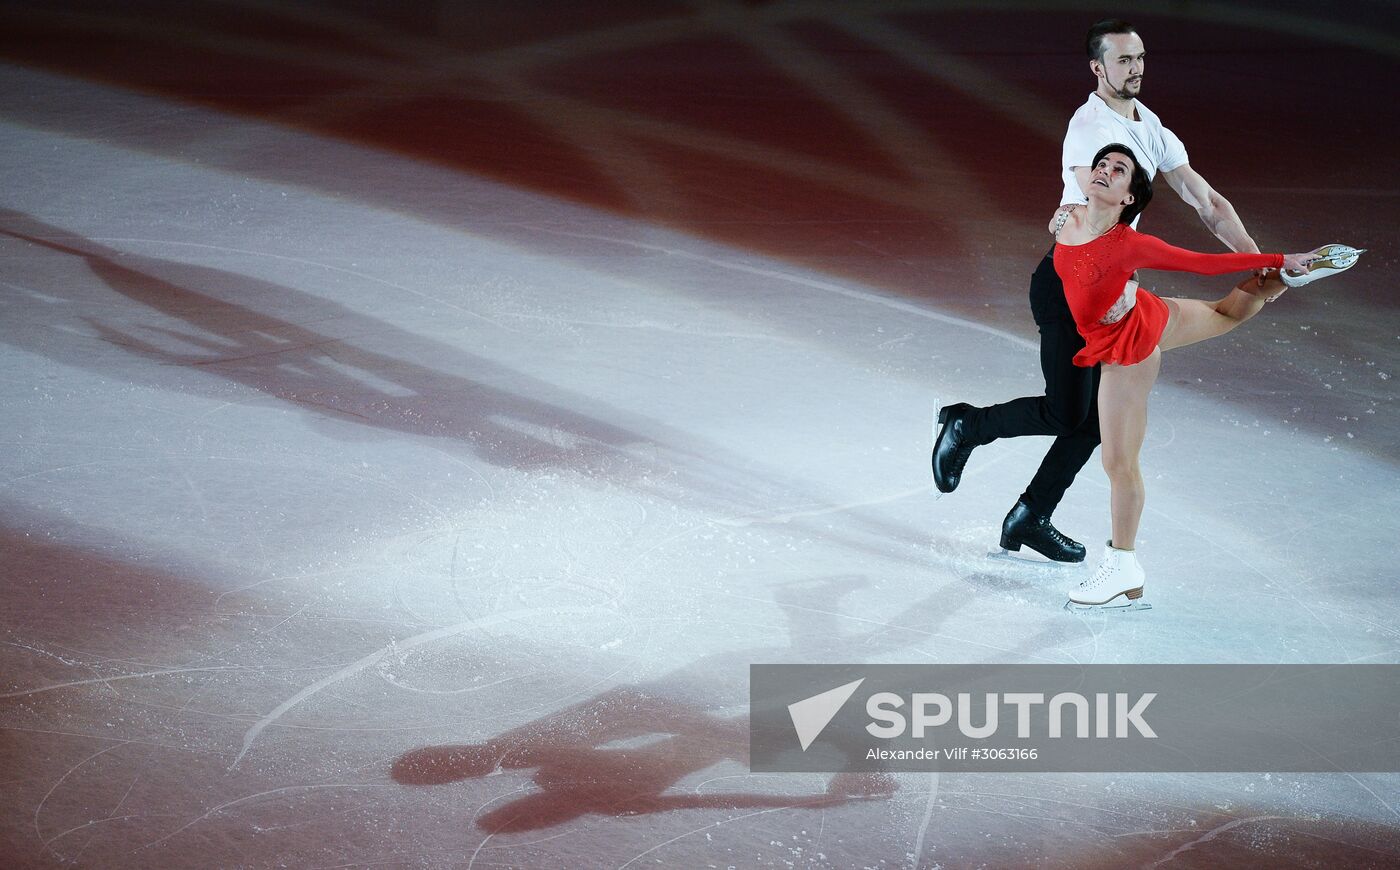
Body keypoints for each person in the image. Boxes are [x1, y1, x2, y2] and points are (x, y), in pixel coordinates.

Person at [932, 19, 1270, 564]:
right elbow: (1075, 199)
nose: (1135, 68)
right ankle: (968, 424)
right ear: (1098, 69)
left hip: (1109, 286)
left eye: (1139, 58)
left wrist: (1257, 263)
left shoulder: (1153, 128)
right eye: (1122, 60)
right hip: (1070, 287)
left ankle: (1030, 515)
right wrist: (1067, 217)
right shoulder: (1090, 130)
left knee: (1090, 420)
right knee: (1072, 417)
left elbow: (1207, 203)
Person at [1048, 142, 1358, 607]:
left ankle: (1123, 564)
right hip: (1145, 311)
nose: (1105, 171)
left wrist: (1275, 256)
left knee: (1118, 463)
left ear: (1129, 199)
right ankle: (1287, 282)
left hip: (1127, 348)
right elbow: (1069, 249)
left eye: (1119, 171)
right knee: (1224, 313)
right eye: (1103, 165)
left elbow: (1202, 263)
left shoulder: (1130, 243)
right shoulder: (1067, 216)